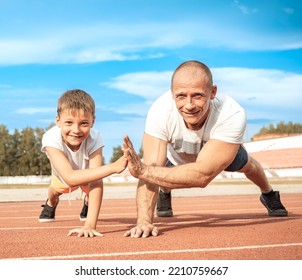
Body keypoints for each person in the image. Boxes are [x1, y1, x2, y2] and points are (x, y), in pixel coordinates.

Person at [123, 60, 288, 238]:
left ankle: (269, 194)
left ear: (212, 92)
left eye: (197, 95)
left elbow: (202, 175)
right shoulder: (160, 111)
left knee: (249, 166)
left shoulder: (231, 113)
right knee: (155, 168)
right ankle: (165, 192)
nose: (189, 105)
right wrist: (144, 221)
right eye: (181, 96)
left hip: (215, 153)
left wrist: (143, 170)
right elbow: (150, 167)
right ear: (172, 93)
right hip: (175, 155)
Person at [39, 89, 127, 237]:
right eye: (69, 122)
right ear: (58, 121)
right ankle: (51, 203)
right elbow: (70, 177)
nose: (76, 130)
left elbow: (96, 181)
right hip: (64, 175)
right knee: (55, 190)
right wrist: (113, 167)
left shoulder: (95, 138)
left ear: (93, 121)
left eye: (84, 123)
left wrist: (90, 225)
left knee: (91, 188)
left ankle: (87, 202)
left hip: (88, 174)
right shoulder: (50, 138)